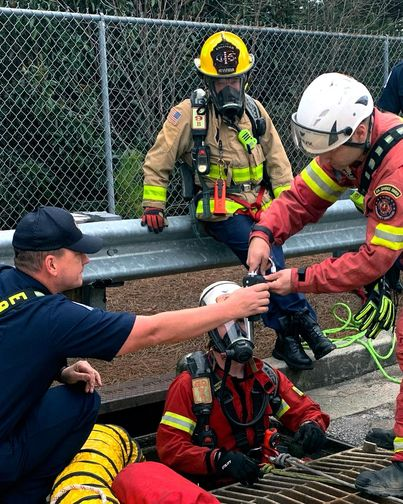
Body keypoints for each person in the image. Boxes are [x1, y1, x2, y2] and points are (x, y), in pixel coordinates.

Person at [0, 206, 270, 504]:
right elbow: (150, 331)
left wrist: (59, 371)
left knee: (75, 396)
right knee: (83, 403)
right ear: (51, 264)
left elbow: (15, 341)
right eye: (77, 253)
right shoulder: (53, 316)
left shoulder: (5, 283)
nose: (86, 259)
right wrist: (232, 309)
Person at [246, 72, 403, 497]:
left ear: (357, 131)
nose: (329, 162)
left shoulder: (394, 168)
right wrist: (264, 233)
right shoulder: (353, 149)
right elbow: (300, 199)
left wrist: (299, 279)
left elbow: (375, 258)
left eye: (333, 152)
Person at [141, 30, 335, 371]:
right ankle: (304, 320)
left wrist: (290, 208)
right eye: (219, 82)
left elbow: (278, 163)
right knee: (260, 251)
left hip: (261, 207)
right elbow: (159, 159)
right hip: (222, 210)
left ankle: (287, 336)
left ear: (243, 78)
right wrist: (153, 204)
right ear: (207, 80)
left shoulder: (256, 112)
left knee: (267, 255)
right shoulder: (187, 115)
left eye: (233, 79)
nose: (227, 88)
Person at [156, 280, 330, 489]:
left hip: (262, 476)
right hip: (215, 487)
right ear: (210, 328)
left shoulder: (265, 376)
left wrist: (311, 426)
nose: (237, 331)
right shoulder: (190, 385)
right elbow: (171, 448)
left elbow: (306, 411)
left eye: (241, 322)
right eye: (227, 323)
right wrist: (219, 460)